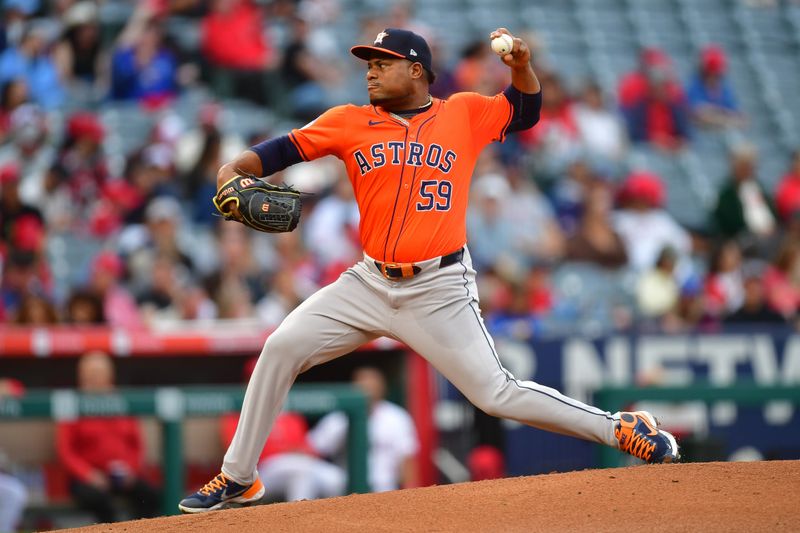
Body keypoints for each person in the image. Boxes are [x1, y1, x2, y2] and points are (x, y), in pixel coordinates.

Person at [178, 27, 679, 514]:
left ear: (416, 71)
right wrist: (231, 170)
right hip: (368, 281)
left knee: (496, 394)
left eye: (382, 63)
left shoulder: (462, 112)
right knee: (280, 347)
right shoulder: (349, 120)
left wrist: (522, 67)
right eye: (368, 64)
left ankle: (620, 427)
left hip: (438, 287)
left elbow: (524, 112)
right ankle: (239, 476)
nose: (370, 73)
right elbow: (280, 150)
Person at [56, 351, 160, 524]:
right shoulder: (73, 404)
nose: (94, 379)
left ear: (110, 376)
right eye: (90, 375)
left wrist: (131, 471)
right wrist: (89, 475)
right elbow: (65, 451)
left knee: (150, 496)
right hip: (88, 479)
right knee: (102, 502)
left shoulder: (122, 402)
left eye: (99, 374)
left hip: (122, 476)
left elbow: (137, 445)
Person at [308, 366, 418, 493]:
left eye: (372, 385)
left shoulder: (396, 416)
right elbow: (313, 448)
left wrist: (410, 494)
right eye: (363, 384)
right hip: (344, 489)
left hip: (384, 488)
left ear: (382, 387)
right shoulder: (338, 418)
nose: (368, 389)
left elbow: (407, 458)